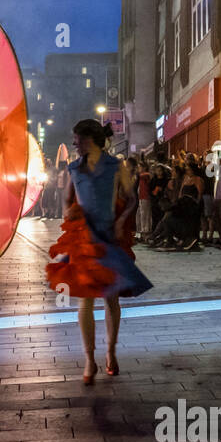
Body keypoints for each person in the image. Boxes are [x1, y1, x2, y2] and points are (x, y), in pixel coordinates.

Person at [47, 120, 152, 384]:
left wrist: (119, 221)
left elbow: (131, 200)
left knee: (111, 298)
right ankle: (89, 360)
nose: (74, 144)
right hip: (84, 239)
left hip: (108, 237)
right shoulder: (73, 168)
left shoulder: (116, 167)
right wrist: (69, 211)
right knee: (85, 299)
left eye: (78, 140)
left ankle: (111, 352)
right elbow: (67, 200)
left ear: (90, 140)